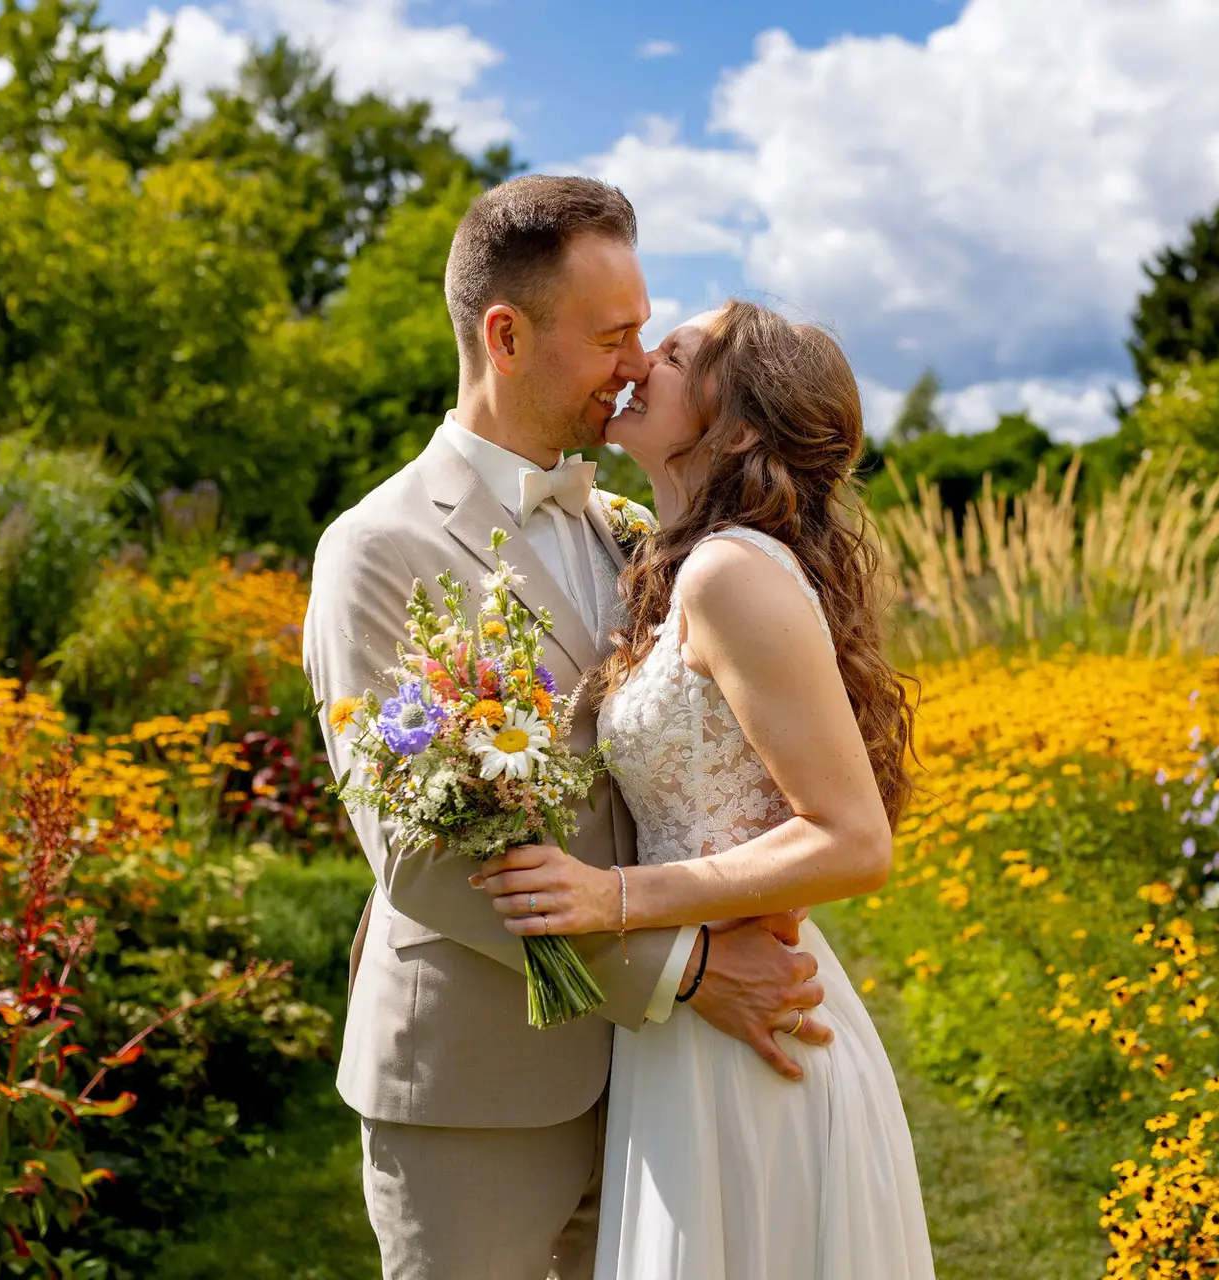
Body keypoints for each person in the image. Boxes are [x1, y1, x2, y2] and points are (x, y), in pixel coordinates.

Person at [302, 176, 833, 1280]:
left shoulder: (629, 525)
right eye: (612, 336)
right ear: (506, 334)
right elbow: (419, 856)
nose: (637, 363)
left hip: (663, 1085)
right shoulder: (377, 549)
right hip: (476, 1087)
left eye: (644, 332)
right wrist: (681, 969)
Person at [473, 299, 936, 1278]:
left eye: (674, 351)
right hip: (690, 1021)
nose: (639, 359)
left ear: (736, 425)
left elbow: (855, 839)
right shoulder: (667, 567)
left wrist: (618, 898)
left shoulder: (730, 574)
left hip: (752, 1037)